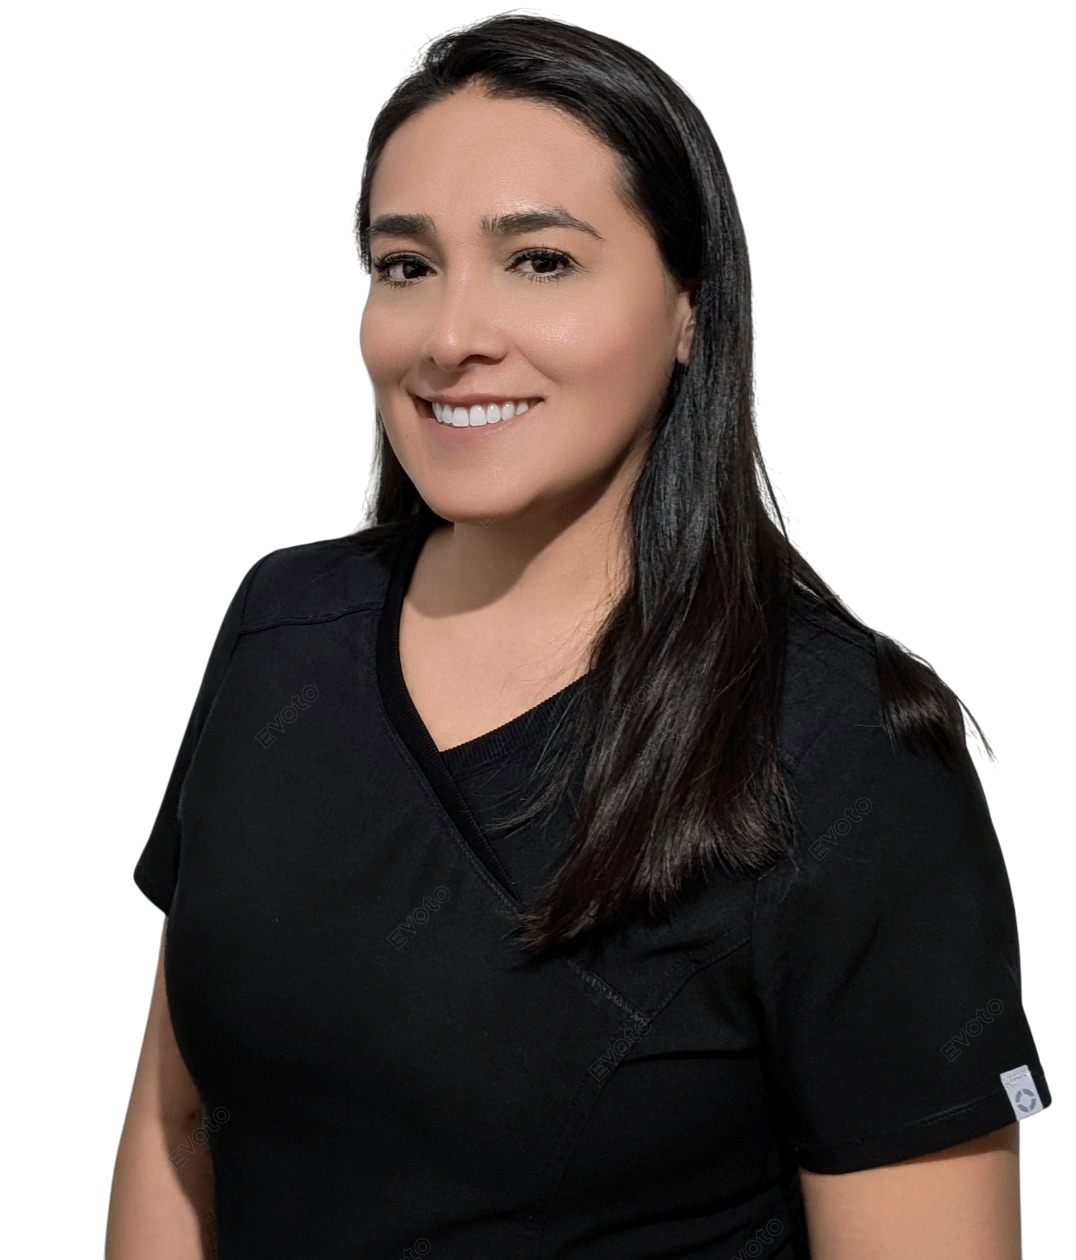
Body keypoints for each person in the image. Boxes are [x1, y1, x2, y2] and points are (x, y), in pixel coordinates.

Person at [107, 12, 1048, 1258]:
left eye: (539, 262)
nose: (450, 337)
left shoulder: (852, 757)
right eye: (405, 266)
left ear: (686, 309)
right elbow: (173, 1133)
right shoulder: (281, 627)